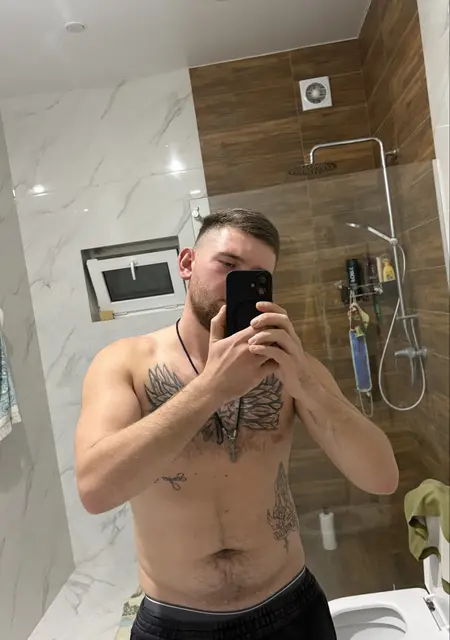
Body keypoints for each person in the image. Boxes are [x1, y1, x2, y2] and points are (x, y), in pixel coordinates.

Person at [75, 208, 399, 640]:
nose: (238, 284)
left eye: (257, 276)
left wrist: (305, 384)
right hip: (176, 623)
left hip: (290, 608)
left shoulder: (291, 367)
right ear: (187, 263)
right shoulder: (125, 363)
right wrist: (210, 388)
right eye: (227, 265)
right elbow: (95, 489)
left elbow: (382, 478)